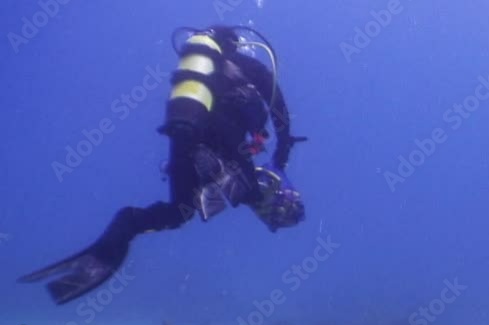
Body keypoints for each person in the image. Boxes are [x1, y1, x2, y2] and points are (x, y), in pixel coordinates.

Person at [19, 25, 307, 304]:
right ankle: (246, 193)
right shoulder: (249, 68)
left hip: (184, 136)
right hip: (221, 137)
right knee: (245, 194)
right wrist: (283, 148)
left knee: (180, 212)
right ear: (234, 44)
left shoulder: (194, 76)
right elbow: (278, 109)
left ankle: (126, 225)